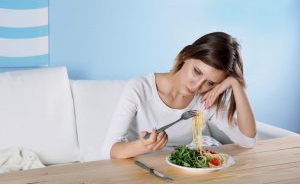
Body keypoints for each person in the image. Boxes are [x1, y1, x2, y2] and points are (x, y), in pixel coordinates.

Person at [100, 32, 257, 159]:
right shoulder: (140, 88)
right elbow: (109, 150)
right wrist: (143, 146)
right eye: (197, 71)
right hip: (135, 165)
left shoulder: (206, 100)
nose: (197, 86)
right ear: (186, 55)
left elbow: (248, 141)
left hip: (177, 171)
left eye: (210, 83)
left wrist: (236, 84)